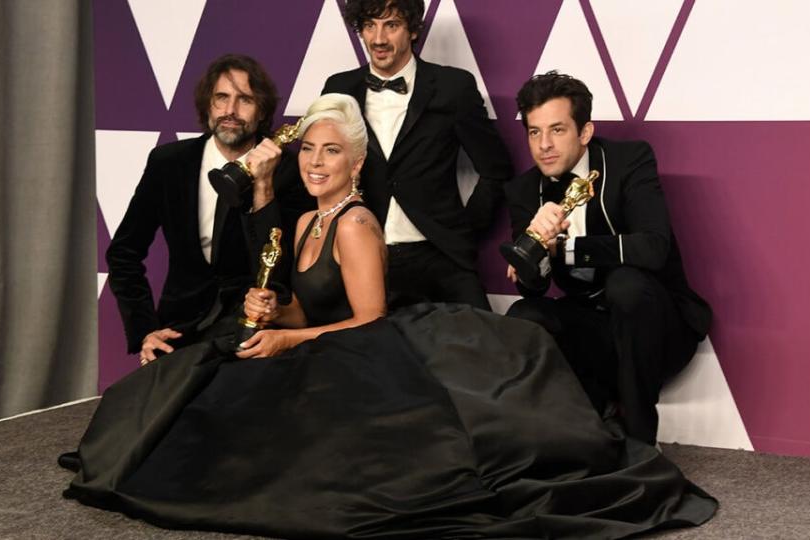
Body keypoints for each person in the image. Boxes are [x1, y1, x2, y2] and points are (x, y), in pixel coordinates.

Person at [61, 93, 716, 539]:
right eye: (308, 151)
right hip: (326, 343)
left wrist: (291, 340)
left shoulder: (355, 224)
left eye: (330, 152)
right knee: (208, 378)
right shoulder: (301, 221)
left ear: (355, 163)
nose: (315, 162)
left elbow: (369, 319)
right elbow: (303, 302)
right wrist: (274, 307)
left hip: (369, 350)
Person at [503, 72, 713, 446]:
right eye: (534, 132)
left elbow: (653, 247)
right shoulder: (524, 190)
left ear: (585, 132)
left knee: (625, 284)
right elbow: (534, 288)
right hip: (596, 332)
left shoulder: (629, 160)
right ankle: (569, 437)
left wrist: (567, 247)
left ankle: (641, 444)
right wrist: (532, 254)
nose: (544, 145)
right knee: (524, 315)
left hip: (659, 328)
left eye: (557, 130)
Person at [105, 54, 313, 365]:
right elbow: (123, 254)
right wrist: (146, 330)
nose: (230, 111)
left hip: (254, 337)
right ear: (208, 106)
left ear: (262, 113)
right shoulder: (169, 163)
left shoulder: (290, 171)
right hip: (178, 332)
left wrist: (263, 186)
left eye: (245, 100)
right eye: (221, 98)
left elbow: (280, 273)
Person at [321, 0, 512, 311]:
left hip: (440, 256)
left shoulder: (453, 87)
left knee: (485, 350)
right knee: (362, 355)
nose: (378, 39)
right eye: (370, 25)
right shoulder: (339, 88)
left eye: (391, 25)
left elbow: (496, 169)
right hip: (364, 254)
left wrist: (464, 230)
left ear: (412, 30)